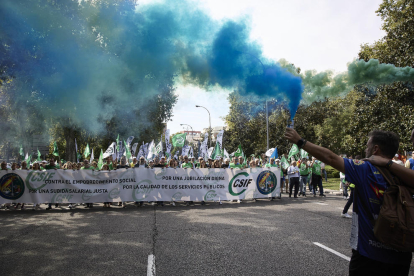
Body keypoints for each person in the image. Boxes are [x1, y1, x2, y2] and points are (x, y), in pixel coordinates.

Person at [285, 127, 412, 275]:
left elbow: (330, 158)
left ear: (375, 149)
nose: (366, 150)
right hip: (401, 256)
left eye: (368, 146)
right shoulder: (405, 173)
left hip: (369, 255)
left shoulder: (365, 168)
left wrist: (300, 141)